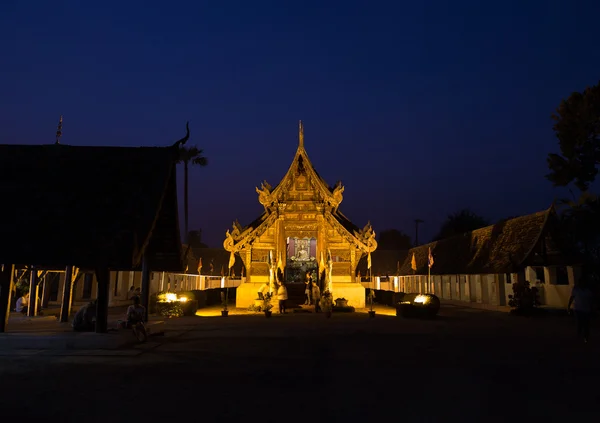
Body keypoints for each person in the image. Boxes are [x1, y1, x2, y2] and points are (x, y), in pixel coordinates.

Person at [568, 275, 594, 343]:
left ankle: (585, 337)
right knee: (579, 323)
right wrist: (568, 306)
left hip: (586, 309)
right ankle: (580, 336)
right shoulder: (576, 289)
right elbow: (572, 297)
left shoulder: (588, 290)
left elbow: (591, 300)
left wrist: (592, 308)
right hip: (578, 309)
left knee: (586, 324)